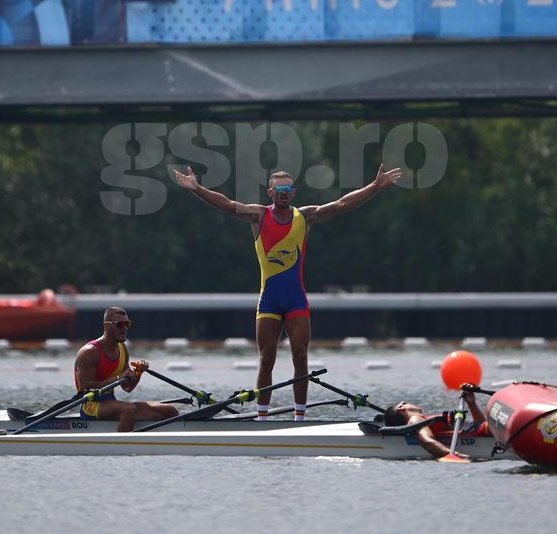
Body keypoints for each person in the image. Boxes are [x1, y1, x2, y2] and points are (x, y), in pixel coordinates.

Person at [172, 164, 403, 421]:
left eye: (288, 189)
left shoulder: (305, 216)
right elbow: (226, 204)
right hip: (269, 300)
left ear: (293, 193)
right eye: (279, 189)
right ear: (271, 192)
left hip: (296, 300)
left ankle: (299, 417)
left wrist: (375, 185)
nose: (284, 193)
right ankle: (261, 418)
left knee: (300, 356)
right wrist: (197, 188)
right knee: (266, 357)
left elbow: (341, 205)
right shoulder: (258, 216)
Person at [74, 306, 179, 431]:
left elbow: (127, 387)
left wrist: (138, 373)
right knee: (127, 409)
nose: (124, 328)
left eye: (127, 324)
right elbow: (84, 388)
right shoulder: (89, 352)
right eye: (120, 324)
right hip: (90, 405)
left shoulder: (123, 349)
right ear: (107, 326)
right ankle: (123, 447)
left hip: (110, 402)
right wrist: (118, 377)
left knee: (169, 411)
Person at [381, 385, 488, 460]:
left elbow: (480, 425)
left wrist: (471, 403)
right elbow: (427, 442)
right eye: (405, 402)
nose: (410, 403)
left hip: (484, 430)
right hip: (485, 431)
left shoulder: (421, 420)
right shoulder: (415, 420)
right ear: (401, 408)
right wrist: (455, 455)